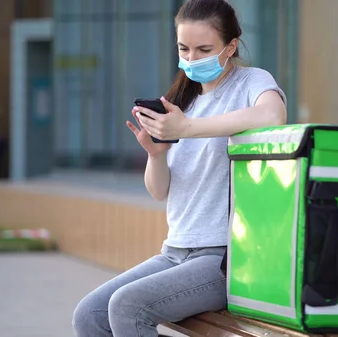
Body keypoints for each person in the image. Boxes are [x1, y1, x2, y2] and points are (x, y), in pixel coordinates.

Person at [72, 0, 287, 336]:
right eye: (184, 49)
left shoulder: (250, 83)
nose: (191, 59)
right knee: (89, 314)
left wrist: (186, 129)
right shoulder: (183, 101)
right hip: (175, 251)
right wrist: (156, 155)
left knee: (127, 307)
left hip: (221, 259)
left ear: (230, 47)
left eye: (204, 49)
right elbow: (159, 192)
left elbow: (273, 116)